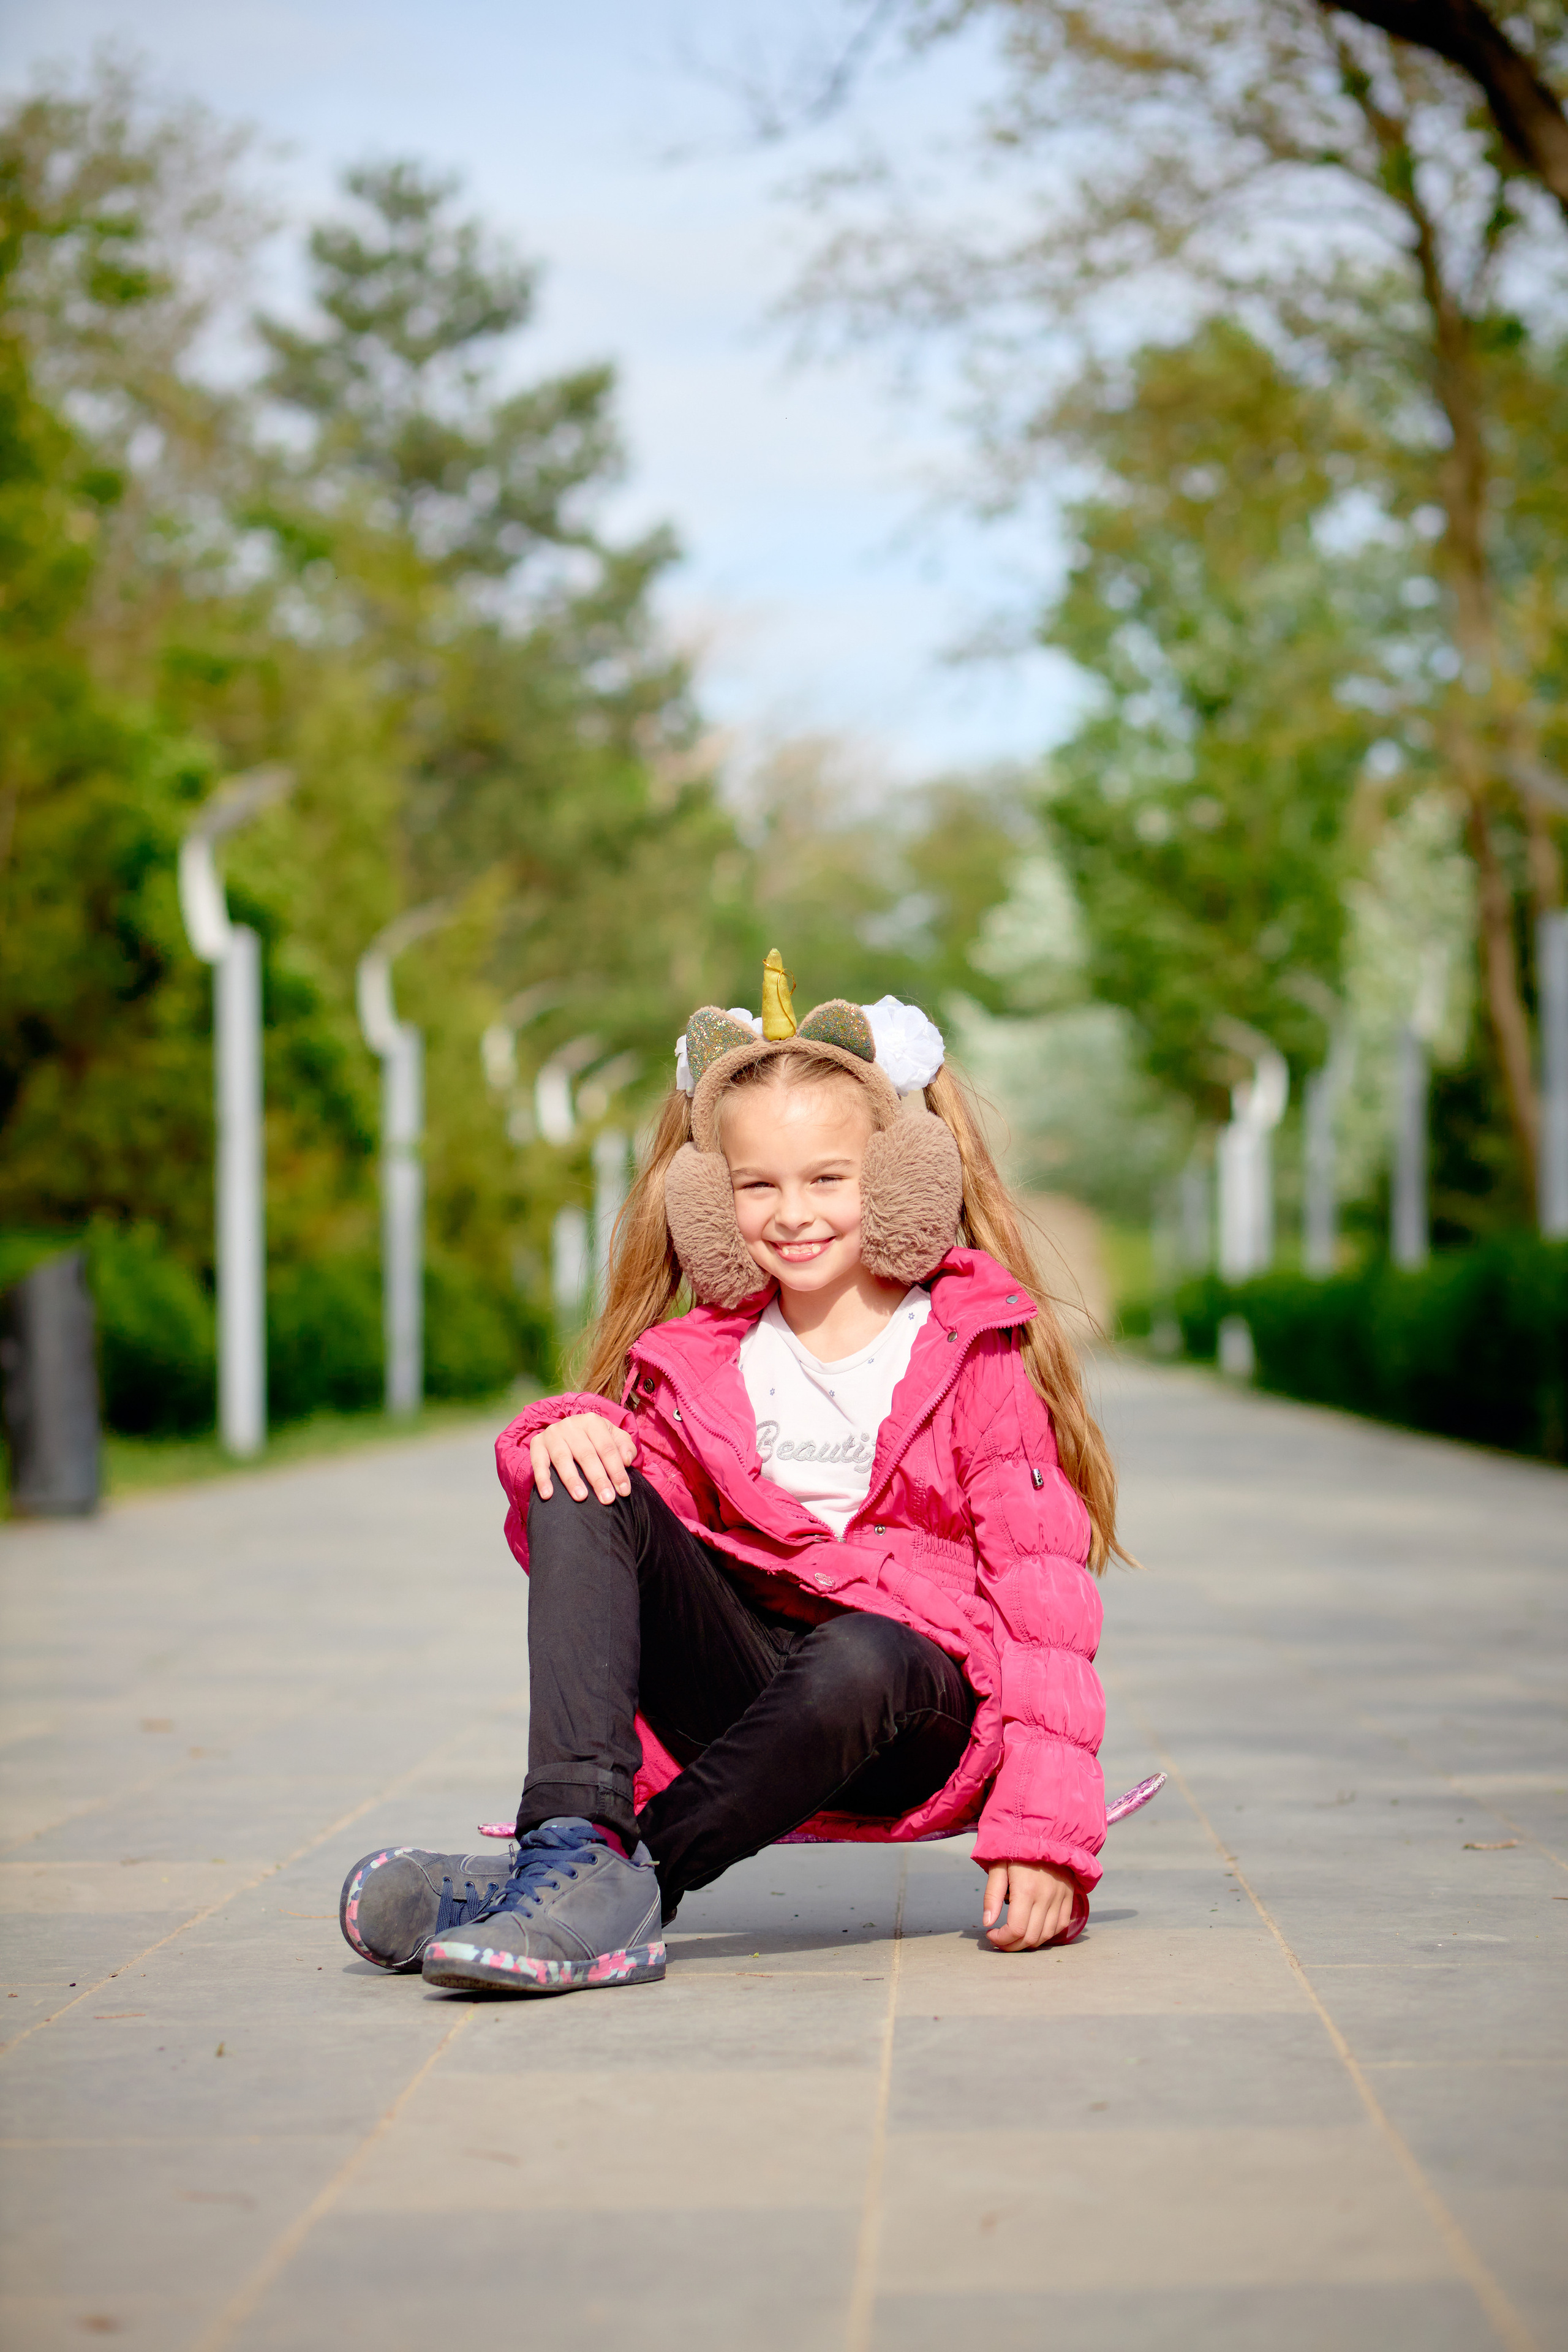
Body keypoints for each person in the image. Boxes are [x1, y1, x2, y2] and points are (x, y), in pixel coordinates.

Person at [339, 963, 1122, 1996]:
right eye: (758, 1185)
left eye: (827, 1179)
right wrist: (561, 1435)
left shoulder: (972, 1350)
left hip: (906, 1710)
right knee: (582, 1460)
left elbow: (1042, 1601)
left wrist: (1047, 1832)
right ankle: (573, 1845)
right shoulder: (701, 1360)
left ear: (897, 1179)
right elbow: (627, 1523)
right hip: (751, 1691)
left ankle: (615, 1886)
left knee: (861, 1653)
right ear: (712, 1197)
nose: (792, 1214)